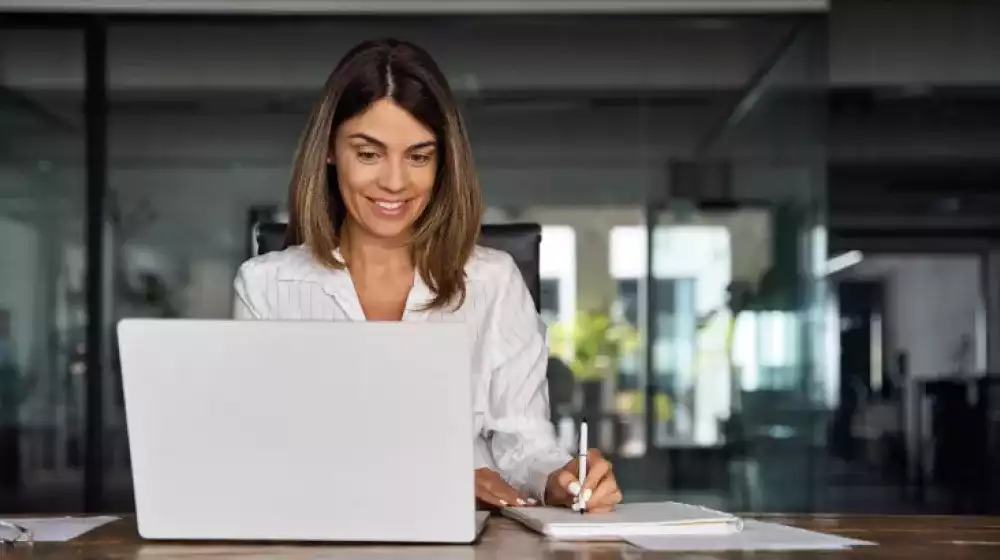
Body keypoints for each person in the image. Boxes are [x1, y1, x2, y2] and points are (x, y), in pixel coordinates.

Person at [232, 38, 621, 513]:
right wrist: (432, 480)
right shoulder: (266, 287)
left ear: (442, 162)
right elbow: (261, 454)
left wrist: (559, 480)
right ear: (331, 150)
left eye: (418, 156)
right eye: (369, 154)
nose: (394, 182)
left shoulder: (493, 282)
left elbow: (525, 446)